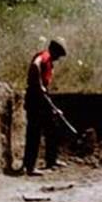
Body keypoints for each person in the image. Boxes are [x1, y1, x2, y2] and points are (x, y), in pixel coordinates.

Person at [23, 39, 70, 175]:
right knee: (34, 133)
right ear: (53, 50)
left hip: (42, 97)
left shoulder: (49, 61)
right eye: (58, 55)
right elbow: (35, 66)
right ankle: (30, 167)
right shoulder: (44, 56)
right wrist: (39, 85)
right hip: (34, 98)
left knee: (52, 128)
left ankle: (51, 160)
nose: (58, 58)